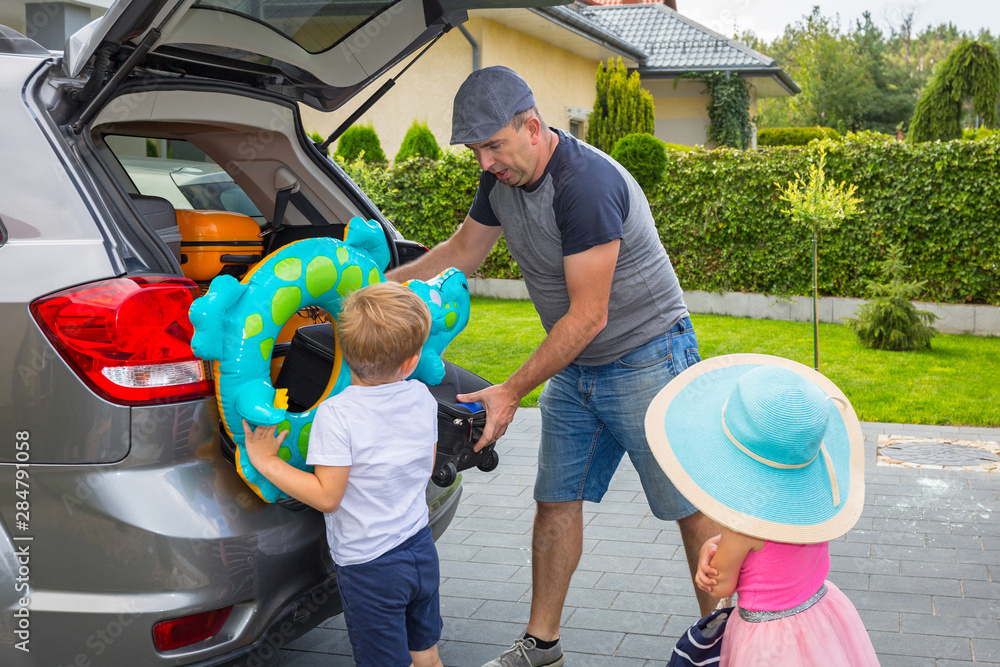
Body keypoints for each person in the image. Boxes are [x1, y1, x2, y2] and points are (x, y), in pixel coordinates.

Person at [387, 65, 720, 667]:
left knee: (688, 506)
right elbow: (463, 252)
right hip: (575, 365)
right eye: (475, 150)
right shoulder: (501, 178)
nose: (485, 162)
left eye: (493, 146)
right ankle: (541, 646)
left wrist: (511, 390)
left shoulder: (585, 184)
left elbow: (589, 314)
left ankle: (726, 642)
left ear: (533, 127)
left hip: (647, 355)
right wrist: (380, 288)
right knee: (556, 498)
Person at [242, 281, 444, 667]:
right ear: (411, 361)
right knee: (426, 653)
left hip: (372, 567)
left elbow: (327, 496)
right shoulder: (421, 397)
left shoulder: (337, 414)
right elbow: (425, 465)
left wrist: (268, 461)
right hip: (420, 548)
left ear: (342, 352)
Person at [645, 353, 880, 666]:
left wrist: (711, 549)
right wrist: (720, 543)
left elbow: (721, 584)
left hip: (769, 643)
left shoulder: (743, 523)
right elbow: (778, 559)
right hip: (821, 616)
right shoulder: (813, 511)